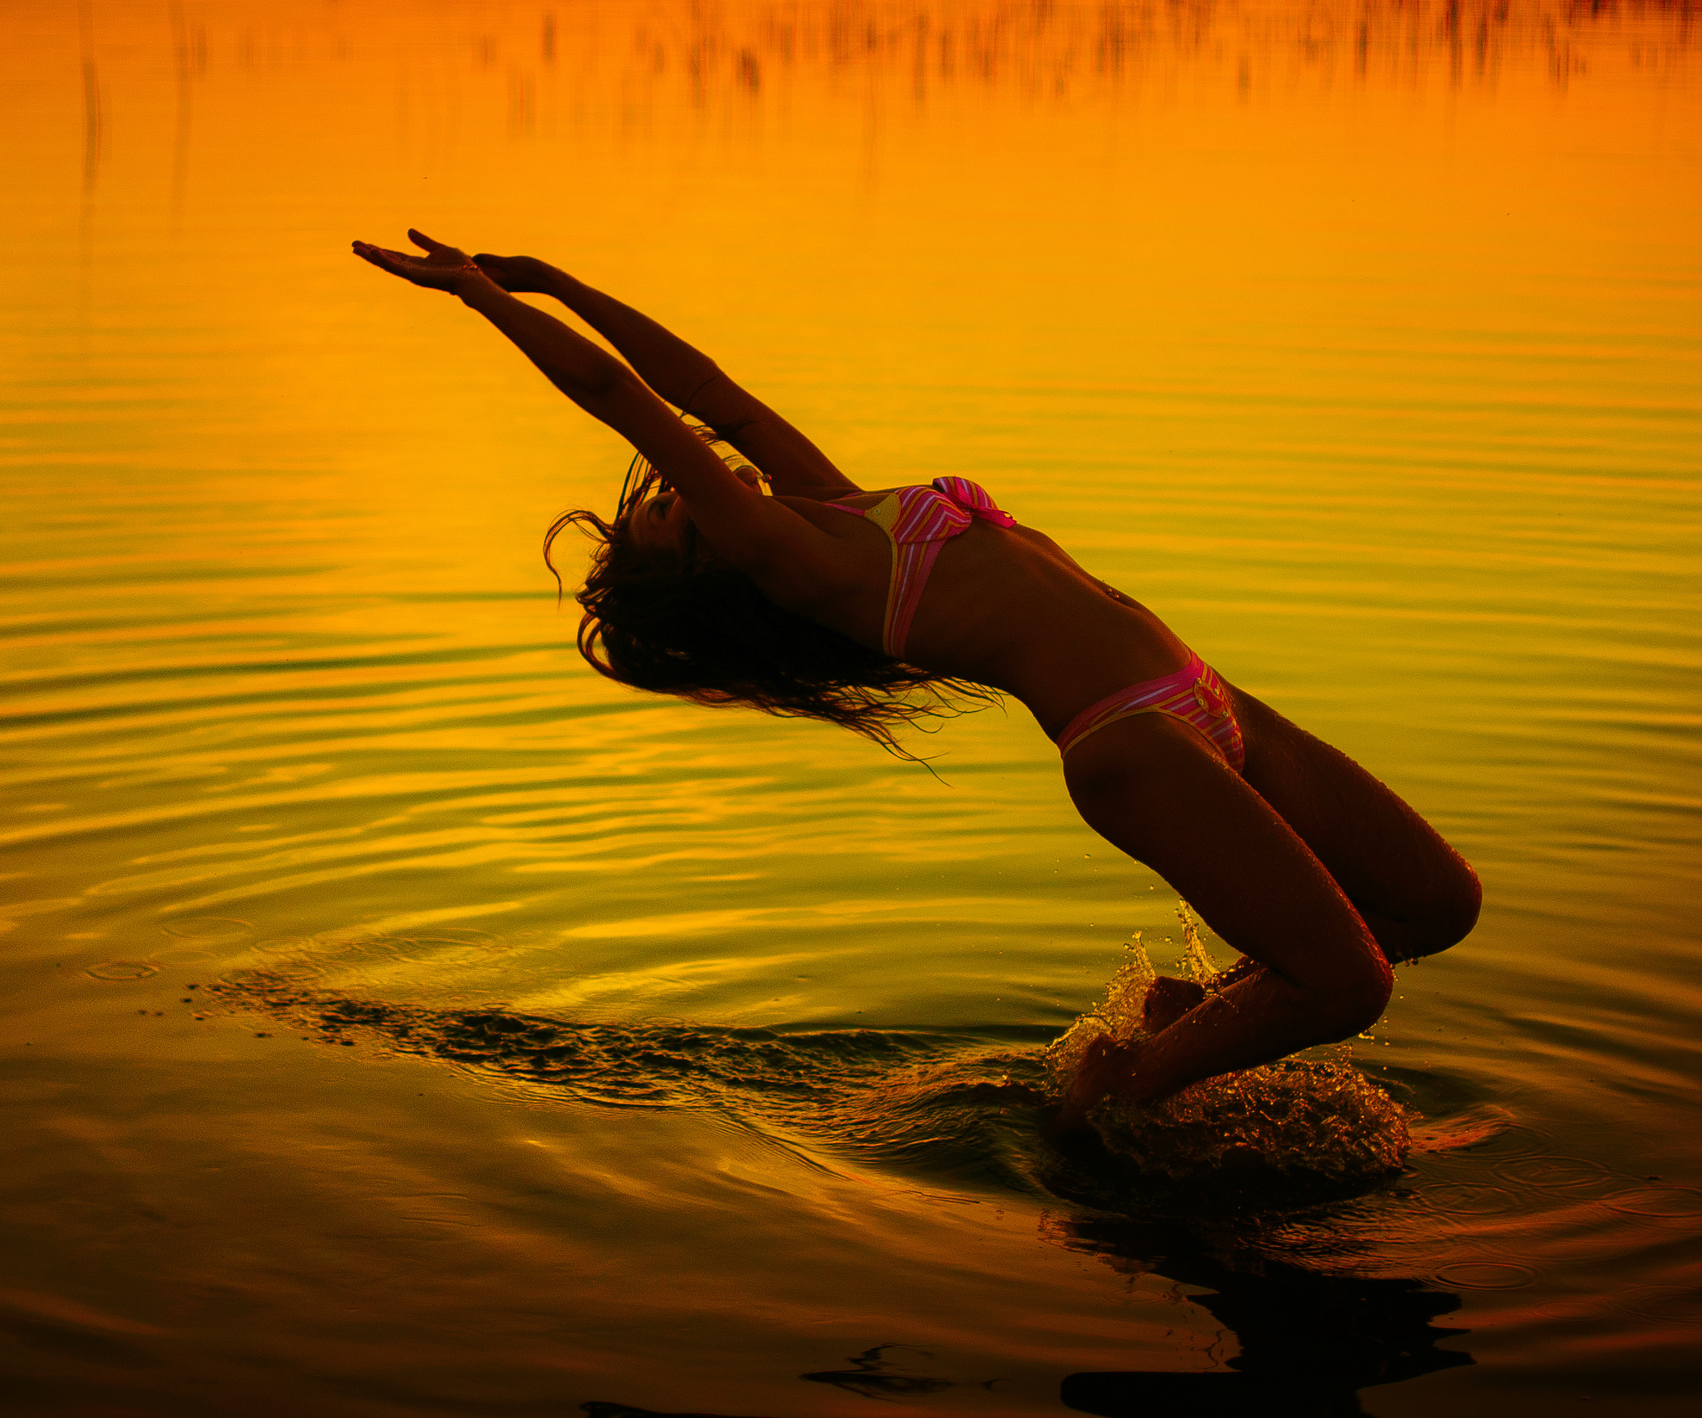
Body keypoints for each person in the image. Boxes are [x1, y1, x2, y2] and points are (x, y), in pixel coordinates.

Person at [350, 230, 1482, 1133]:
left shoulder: (833, 506)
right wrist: (480, 303)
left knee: (1434, 905)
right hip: (1134, 739)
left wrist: (554, 275)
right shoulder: (794, 559)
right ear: (708, 556)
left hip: (1211, 696)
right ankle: (1113, 1099)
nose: (676, 475)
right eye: (667, 508)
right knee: (1348, 984)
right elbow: (623, 398)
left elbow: (707, 390)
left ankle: (1192, 1016)